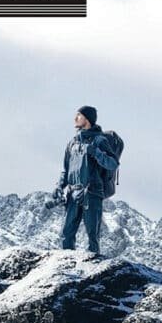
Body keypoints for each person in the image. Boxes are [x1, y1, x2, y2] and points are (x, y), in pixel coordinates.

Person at [52, 105, 119, 254]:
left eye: (79, 115)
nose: (75, 118)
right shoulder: (72, 143)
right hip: (72, 193)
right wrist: (59, 186)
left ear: (87, 119)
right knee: (67, 233)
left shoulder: (100, 140)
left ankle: (94, 269)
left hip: (92, 192)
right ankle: (66, 267)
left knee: (92, 235)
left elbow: (113, 163)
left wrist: (95, 152)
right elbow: (65, 168)